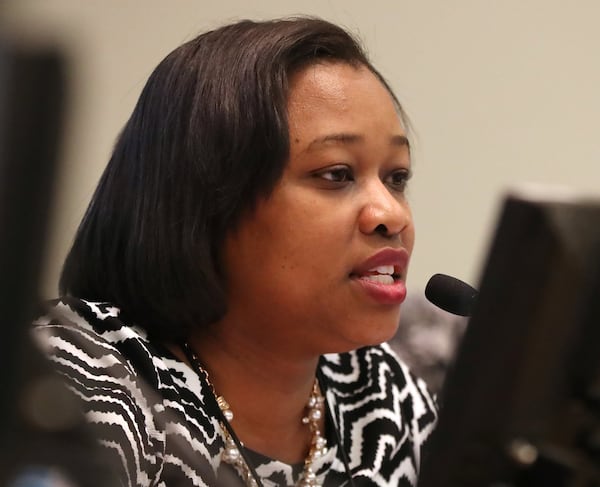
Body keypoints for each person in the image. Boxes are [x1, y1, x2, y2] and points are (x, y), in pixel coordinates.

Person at [33, 17, 438, 487]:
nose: (391, 214)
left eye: (397, 178)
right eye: (336, 174)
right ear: (206, 200)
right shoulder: (85, 384)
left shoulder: (382, 398)